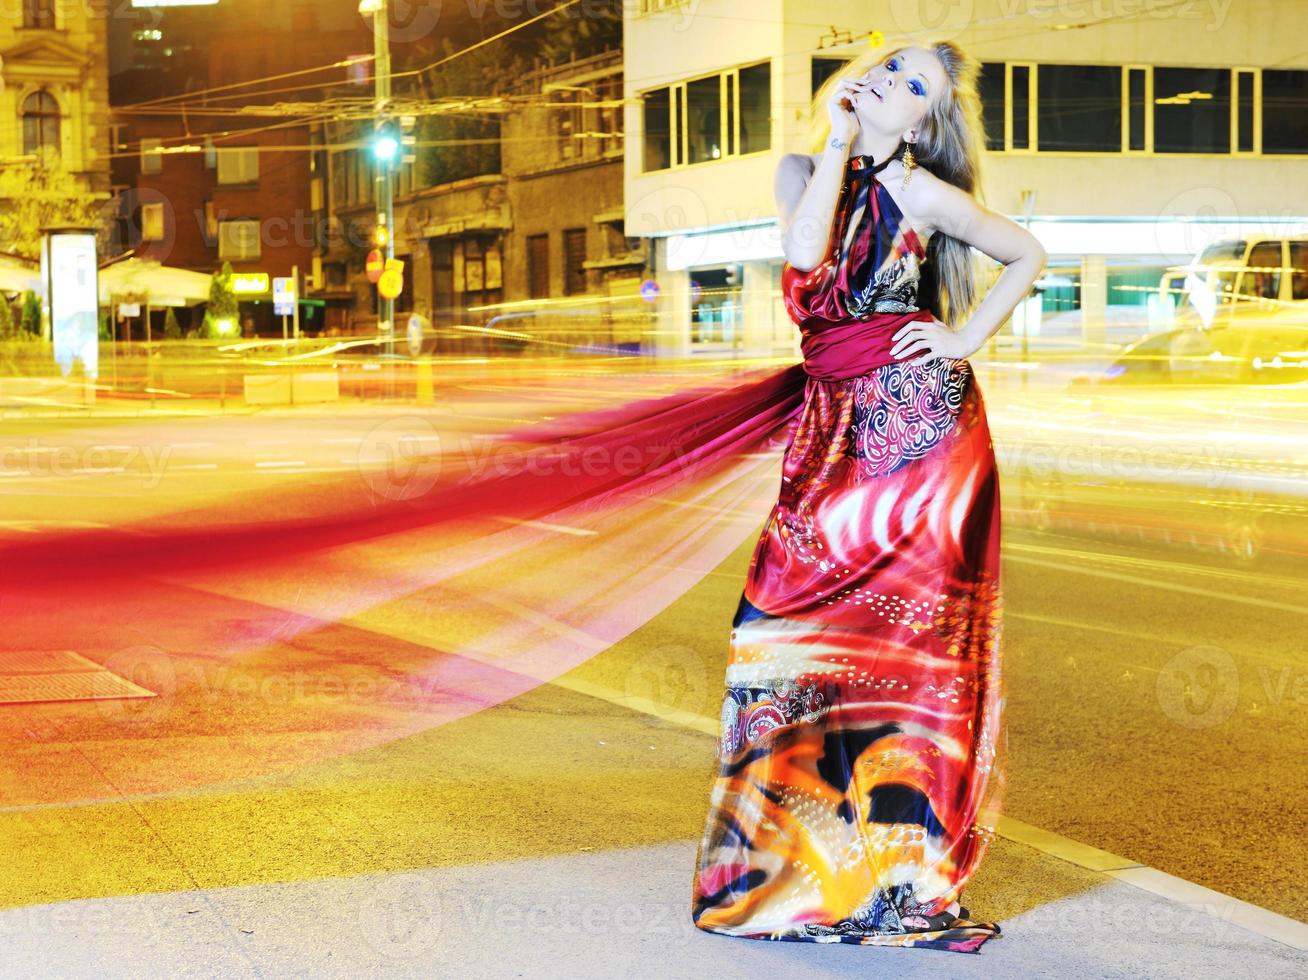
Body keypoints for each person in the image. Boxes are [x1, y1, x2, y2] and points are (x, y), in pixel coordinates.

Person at [690, 40, 1047, 952]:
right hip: (830, 434)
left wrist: (963, 337)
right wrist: (843, 136)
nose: (891, 78)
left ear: (923, 121)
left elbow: (1026, 252)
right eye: (890, 65)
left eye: (913, 85)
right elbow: (806, 248)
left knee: (914, 655)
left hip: (924, 435)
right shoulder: (804, 170)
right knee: (771, 630)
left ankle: (904, 878)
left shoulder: (924, 191)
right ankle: (789, 873)